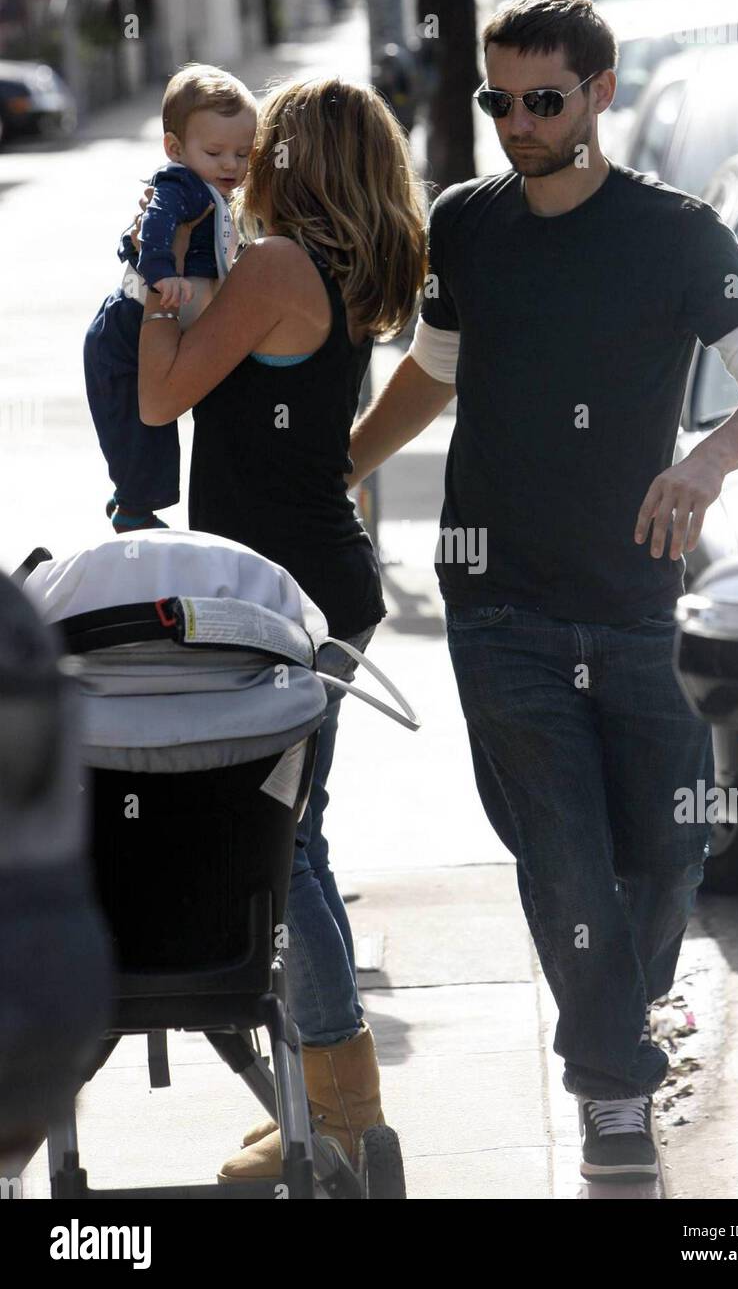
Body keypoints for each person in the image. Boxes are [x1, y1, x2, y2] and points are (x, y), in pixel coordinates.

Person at [347, 0, 738, 1182]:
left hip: (640, 601)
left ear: (598, 94)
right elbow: (433, 370)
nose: (517, 121)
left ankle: (617, 1017)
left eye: (542, 99)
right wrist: (334, 461)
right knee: (560, 849)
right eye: (497, 98)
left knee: (667, 855)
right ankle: (610, 1088)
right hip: (496, 599)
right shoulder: (464, 223)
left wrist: (703, 462)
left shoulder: (675, 232)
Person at [137, 76, 427, 1179]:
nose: (245, 159)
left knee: (281, 842)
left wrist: (160, 297)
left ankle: (344, 1114)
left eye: (261, 144)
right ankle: (324, 1102)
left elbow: (162, 397)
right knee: (290, 836)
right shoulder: (350, 264)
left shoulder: (272, 267)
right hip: (319, 580)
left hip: (274, 596)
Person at [85, 64, 257, 534]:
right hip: (126, 326)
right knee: (138, 428)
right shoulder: (180, 185)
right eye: (216, 152)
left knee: (148, 433)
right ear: (175, 150)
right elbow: (155, 230)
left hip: (159, 321)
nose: (231, 166)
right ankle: (133, 510)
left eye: (244, 154)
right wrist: (163, 274)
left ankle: (133, 500)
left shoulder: (219, 193)